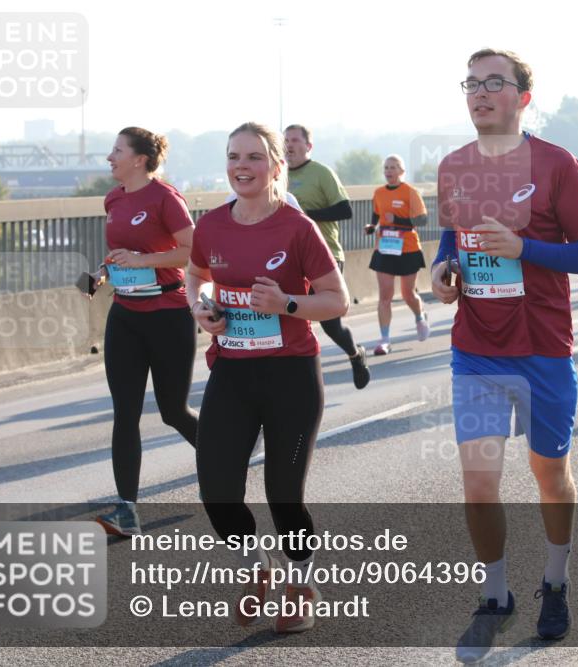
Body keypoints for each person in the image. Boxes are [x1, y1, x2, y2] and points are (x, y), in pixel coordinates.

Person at [431, 48, 578, 663]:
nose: (479, 93)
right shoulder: (453, 167)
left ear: (522, 97)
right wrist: (443, 271)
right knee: (479, 485)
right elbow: (451, 238)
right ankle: (496, 593)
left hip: (543, 351)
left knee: (549, 475)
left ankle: (554, 581)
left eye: (493, 83)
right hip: (476, 350)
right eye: (471, 84)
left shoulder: (555, 164)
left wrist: (525, 247)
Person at [187, 122, 349, 632]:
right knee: (216, 490)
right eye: (235, 156)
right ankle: (257, 571)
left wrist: (286, 303)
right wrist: (201, 309)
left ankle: (300, 585)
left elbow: (337, 300)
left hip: (291, 377)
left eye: (255, 157)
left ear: (277, 166)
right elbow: (194, 275)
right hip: (232, 373)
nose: (242, 166)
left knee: (284, 493)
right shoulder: (211, 225)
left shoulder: (297, 228)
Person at [95, 127, 198, 537]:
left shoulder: (165, 198)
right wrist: (102, 274)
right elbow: (121, 254)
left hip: (168, 316)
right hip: (125, 316)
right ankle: (127, 511)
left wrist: (143, 259)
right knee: (126, 414)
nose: (109, 157)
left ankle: (225, 459)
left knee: (173, 411)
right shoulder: (114, 198)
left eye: (116, 151)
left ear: (139, 159)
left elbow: (194, 251)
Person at [284, 124, 370, 389]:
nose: (289, 145)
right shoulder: (276, 175)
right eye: (285, 140)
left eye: (295, 140)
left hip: (325, 255)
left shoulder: (322, 173)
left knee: (330, 324)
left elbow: (345, 210)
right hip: (288, 259)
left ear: (308, 146)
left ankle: (355, 355)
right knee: (290, 320)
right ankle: (297, 383)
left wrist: (305, 217)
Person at [366, 154, 431, 355]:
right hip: (385, 248)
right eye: (386, 167)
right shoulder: (378, 193)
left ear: (402, 172)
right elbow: (377, 216)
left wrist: (398, 221)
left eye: (394, 167)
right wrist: (371, 226)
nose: (389, 171)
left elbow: (422, 221)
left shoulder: (410, 192)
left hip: (408, 248)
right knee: (385, 296)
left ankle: (420, 317)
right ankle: (384, 339)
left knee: (407, 293)